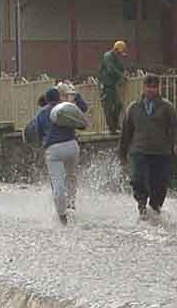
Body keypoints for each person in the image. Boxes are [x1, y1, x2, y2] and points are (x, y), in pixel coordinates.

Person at [118, 73, 177, 221]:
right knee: (138, 178)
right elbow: (126, 132)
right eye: (149, 87)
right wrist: (122, 153)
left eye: (155, 87)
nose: (152, 90)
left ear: (159, 88)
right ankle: (141, 205)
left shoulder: (167, 107)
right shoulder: (134, 108)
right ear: (144, 87)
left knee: (159, 182)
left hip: (161, 152)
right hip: (139, 150)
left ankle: (155, 207)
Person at [29, 85, 88, 224]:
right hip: (72, 146)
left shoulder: (41, 113)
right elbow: (81, 116)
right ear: (58, 97)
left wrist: (41, 145)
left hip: (54, 150)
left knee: (57, 183)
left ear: (47, 100)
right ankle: (71, 204)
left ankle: (62, 216)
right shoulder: (66, 108)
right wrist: (76, 96)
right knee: (71, 177)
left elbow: (37, 133)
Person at [98, 39, 127, 134]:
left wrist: (124, 72)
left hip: (112, 86)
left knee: (118, 105)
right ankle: (112, 128)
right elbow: (111, 69)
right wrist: (121, 75)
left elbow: (120, 67)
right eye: (120, 53)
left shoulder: (116, 58)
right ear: (116, 50)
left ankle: (115, 125)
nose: (120, 55)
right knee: (108, 108)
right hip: (106, 86)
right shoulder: (108, 56)